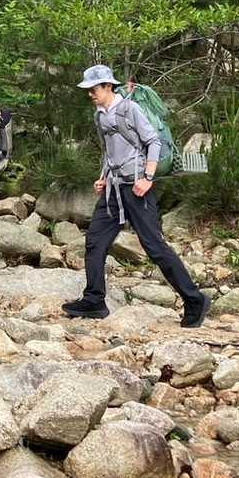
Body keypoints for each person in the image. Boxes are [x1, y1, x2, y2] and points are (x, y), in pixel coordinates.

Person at [65, 64, 211, 328]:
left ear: (108, 86)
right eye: (88, 90)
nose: (90, 94)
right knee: (95, 242)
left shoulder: (129, 109)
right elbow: (109, 152)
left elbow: (153, 141)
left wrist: (148, 178)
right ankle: (94, 300)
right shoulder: (100, 115)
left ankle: (195, 300)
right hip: (113, 189)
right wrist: (102, 177)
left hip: (136, 188)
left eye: (94, 89)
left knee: (154, 247)